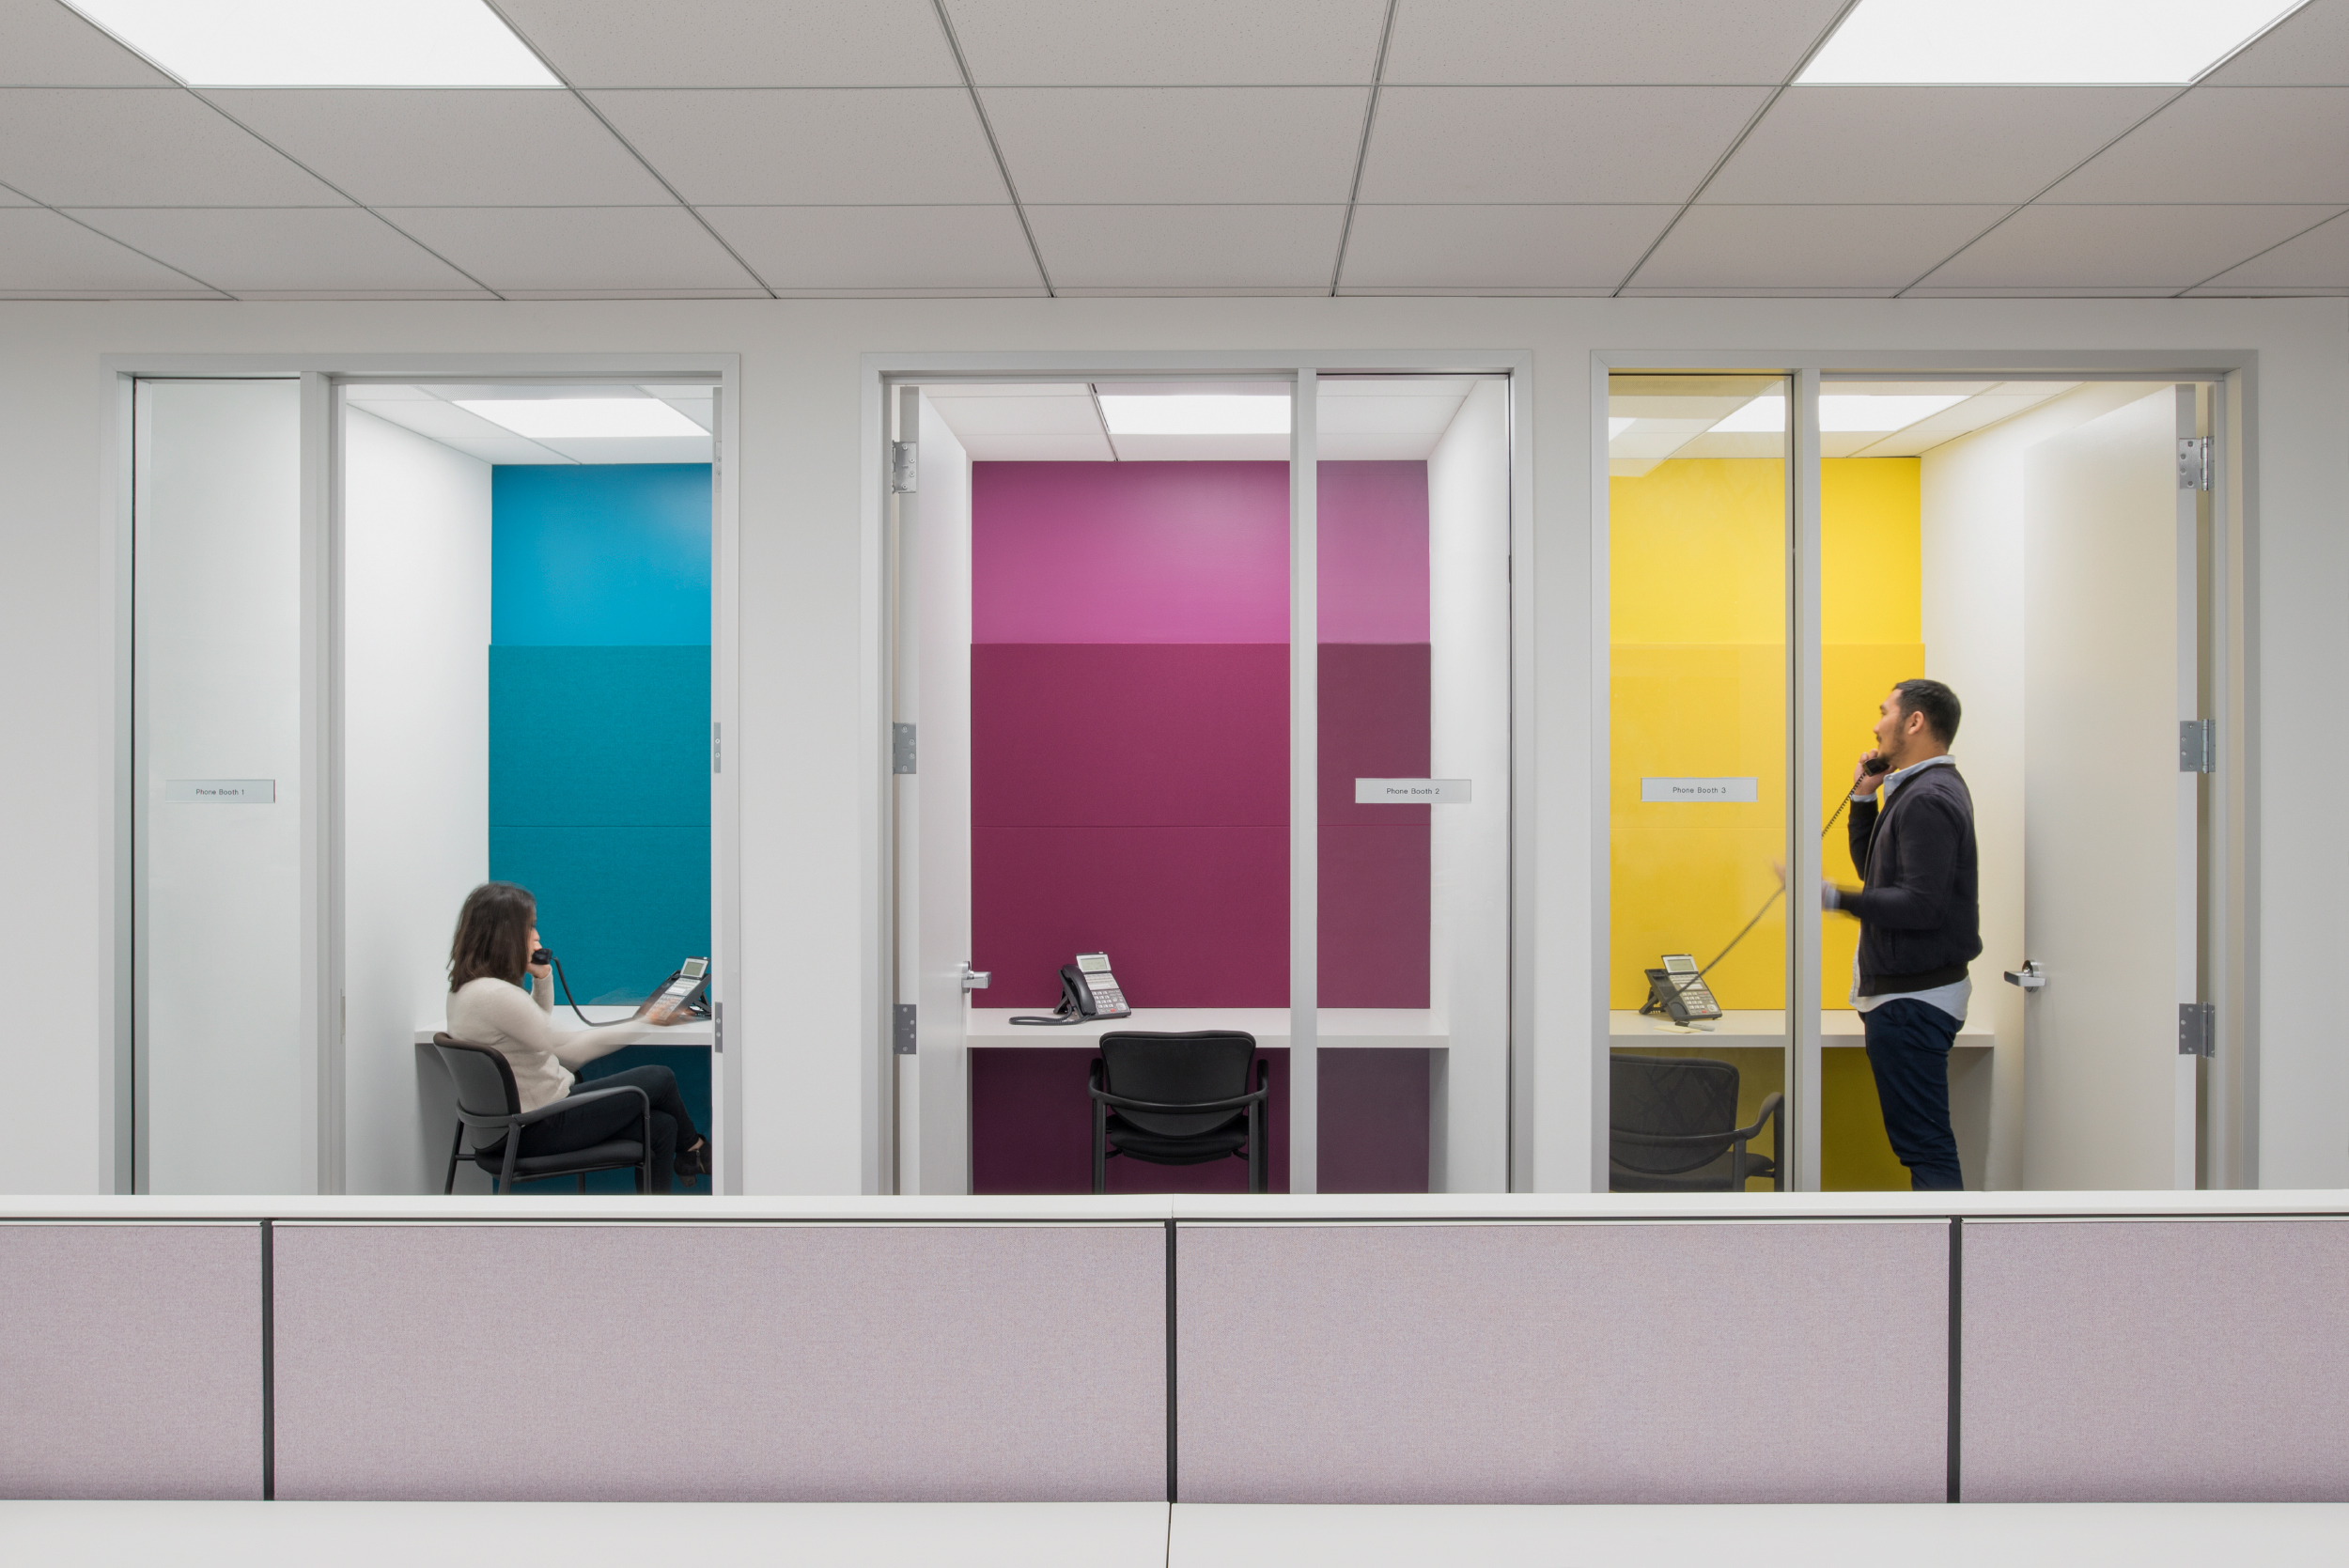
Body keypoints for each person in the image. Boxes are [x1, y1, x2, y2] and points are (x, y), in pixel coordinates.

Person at [444, 881, 709, 1191]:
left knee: (663, 1127)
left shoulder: (467, 990)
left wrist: (542, 978)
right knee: (660, 1077)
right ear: (505, 934)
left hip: (510, 1127)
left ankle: (662, 1209)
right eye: (530, 927)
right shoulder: (496, 995)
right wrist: (649, 1021)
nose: (537, 937)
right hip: (536, 1126)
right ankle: (696, 1149)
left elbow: (533, 1029)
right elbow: (568, 1051)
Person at [1823, 679, 1980, 1191]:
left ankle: (1949, 1264)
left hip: (1913, 1000)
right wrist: (1865, 801)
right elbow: (1881, 877)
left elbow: (1919, 904)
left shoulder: (1928, 798)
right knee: (1921, 1143)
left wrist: (1831, 897)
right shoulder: (1913, 791)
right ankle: (1945, 1259)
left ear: (1914, 722)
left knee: (1925, 1147)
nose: (1875, 724)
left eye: (1884, 711)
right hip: (1908, 996)